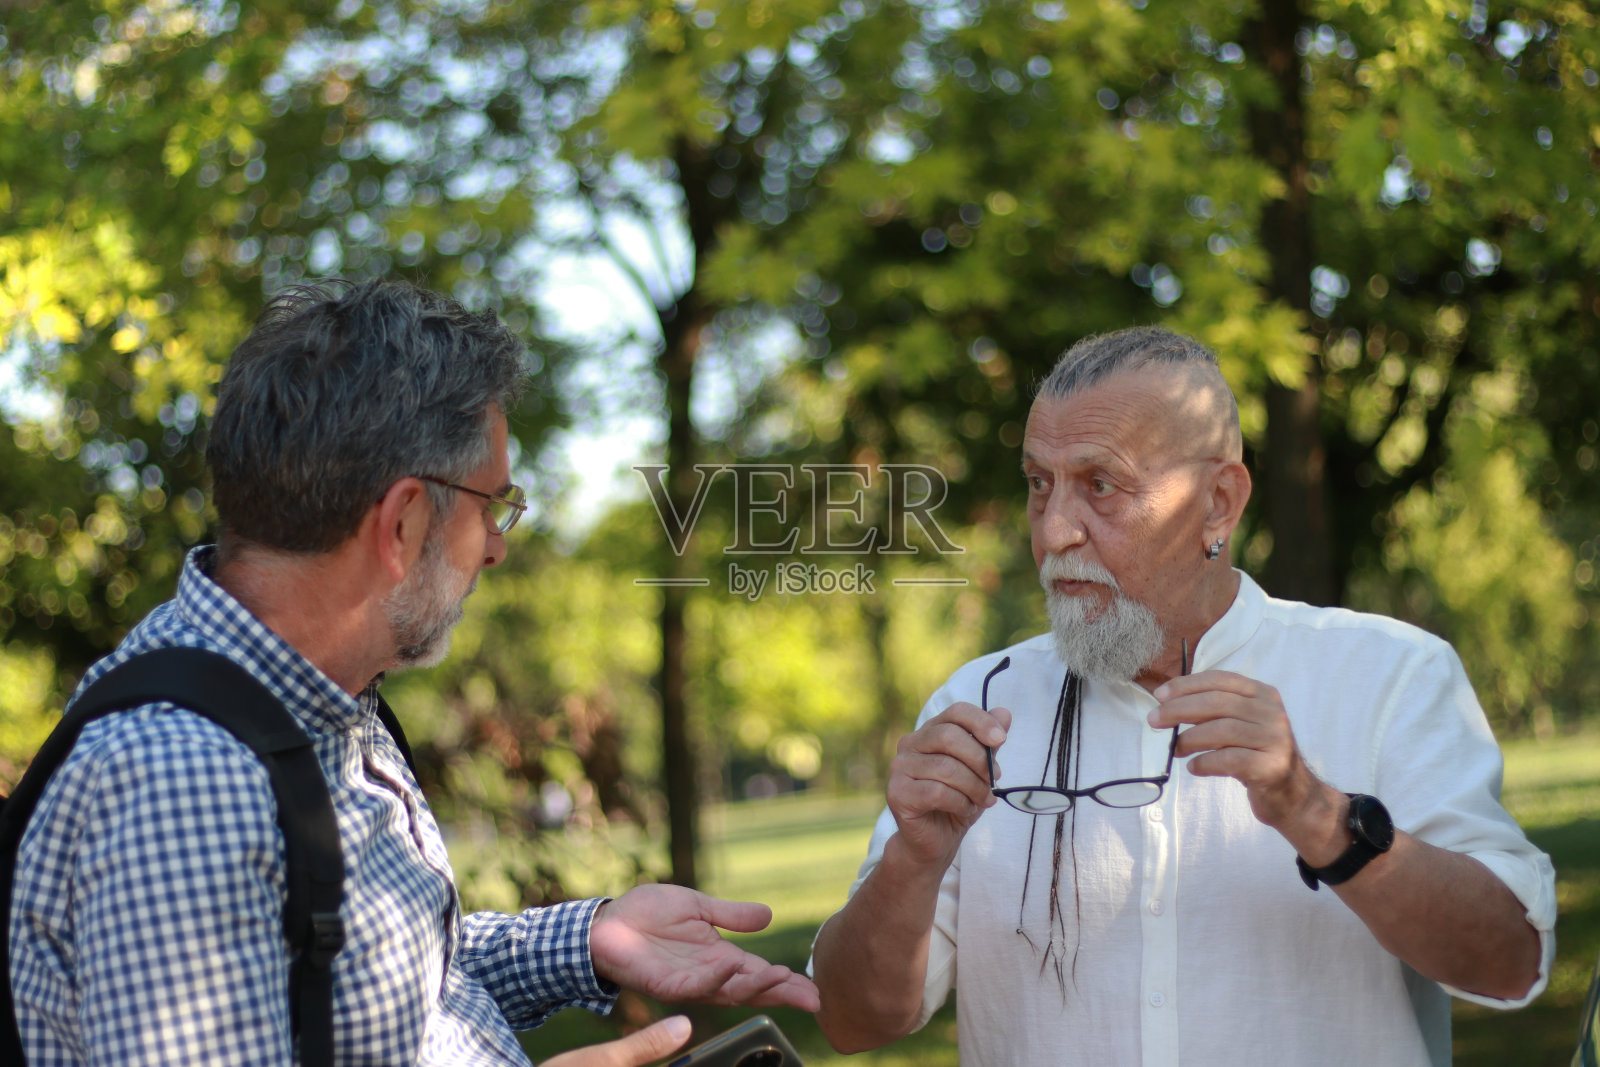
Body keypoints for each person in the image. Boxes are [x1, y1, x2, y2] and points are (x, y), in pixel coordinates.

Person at [9, 280, 818, 1066]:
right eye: (489, 505)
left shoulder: (318, 708)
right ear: (401, 522)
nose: (498, 544)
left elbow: (369, 978)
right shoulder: (185, 781)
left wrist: (590, 939)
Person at [810, 325, 1556, 1066]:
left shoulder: (1391, 674)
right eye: (1041, 484)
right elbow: (852, 1021)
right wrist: (913, 860)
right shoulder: (977, 702)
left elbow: (1509, 960)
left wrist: (1317, 813)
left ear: (1218, 504)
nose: (1056, 530)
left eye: (1100, 485)